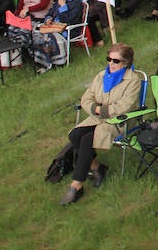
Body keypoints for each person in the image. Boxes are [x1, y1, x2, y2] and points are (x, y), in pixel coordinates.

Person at [60, 43, 142, 205]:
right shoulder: (100, 76)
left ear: (126, 63)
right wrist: (95, 109)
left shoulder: (133, 80)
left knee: (87, 140)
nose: (111, 63)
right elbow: (86, 98)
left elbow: (123, 107)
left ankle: (76, 185)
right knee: (75, 134)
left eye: (116, 61)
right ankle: (96, 167)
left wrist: (99, 110)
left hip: (118, 121)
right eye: (109, 59)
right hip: (98, 116)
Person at [31, 0, 84, 73]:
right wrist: (48, 18)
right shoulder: (60, 0)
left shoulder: (77, 3)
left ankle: (57, 62)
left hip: (69, 30)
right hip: (54, 27)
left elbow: (69, 21)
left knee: (47, 38)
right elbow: (50, 12)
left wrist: (63, 7)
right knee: (36, 36)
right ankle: (43, 62)